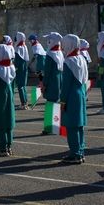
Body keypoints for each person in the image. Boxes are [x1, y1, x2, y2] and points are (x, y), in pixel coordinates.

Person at [59, 34, 88, 164]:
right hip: (81, 93)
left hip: (71, 95)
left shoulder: (68, 62)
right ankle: (80, 151)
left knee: (71, 126)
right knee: (79, 125)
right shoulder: (81, 58)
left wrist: (63, 100)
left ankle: (74, 154)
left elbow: (66, 85)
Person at [42, 32, 63, 107]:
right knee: (57, 102)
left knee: (51, 104)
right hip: (59, 82)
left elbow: (47, 71)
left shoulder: (50, 54)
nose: (48, 42)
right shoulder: (60, 53)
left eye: (49, 40)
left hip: (51, 83)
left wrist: (44, 84)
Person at [14, 32, 29, 110]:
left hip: (19, 69)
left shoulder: (18, 48)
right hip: (24, 68)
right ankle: (25, 102)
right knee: (23, 86)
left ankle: (23, 103)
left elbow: (17, 60)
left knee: (20, 86)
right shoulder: (24, 46)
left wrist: (14, 68)